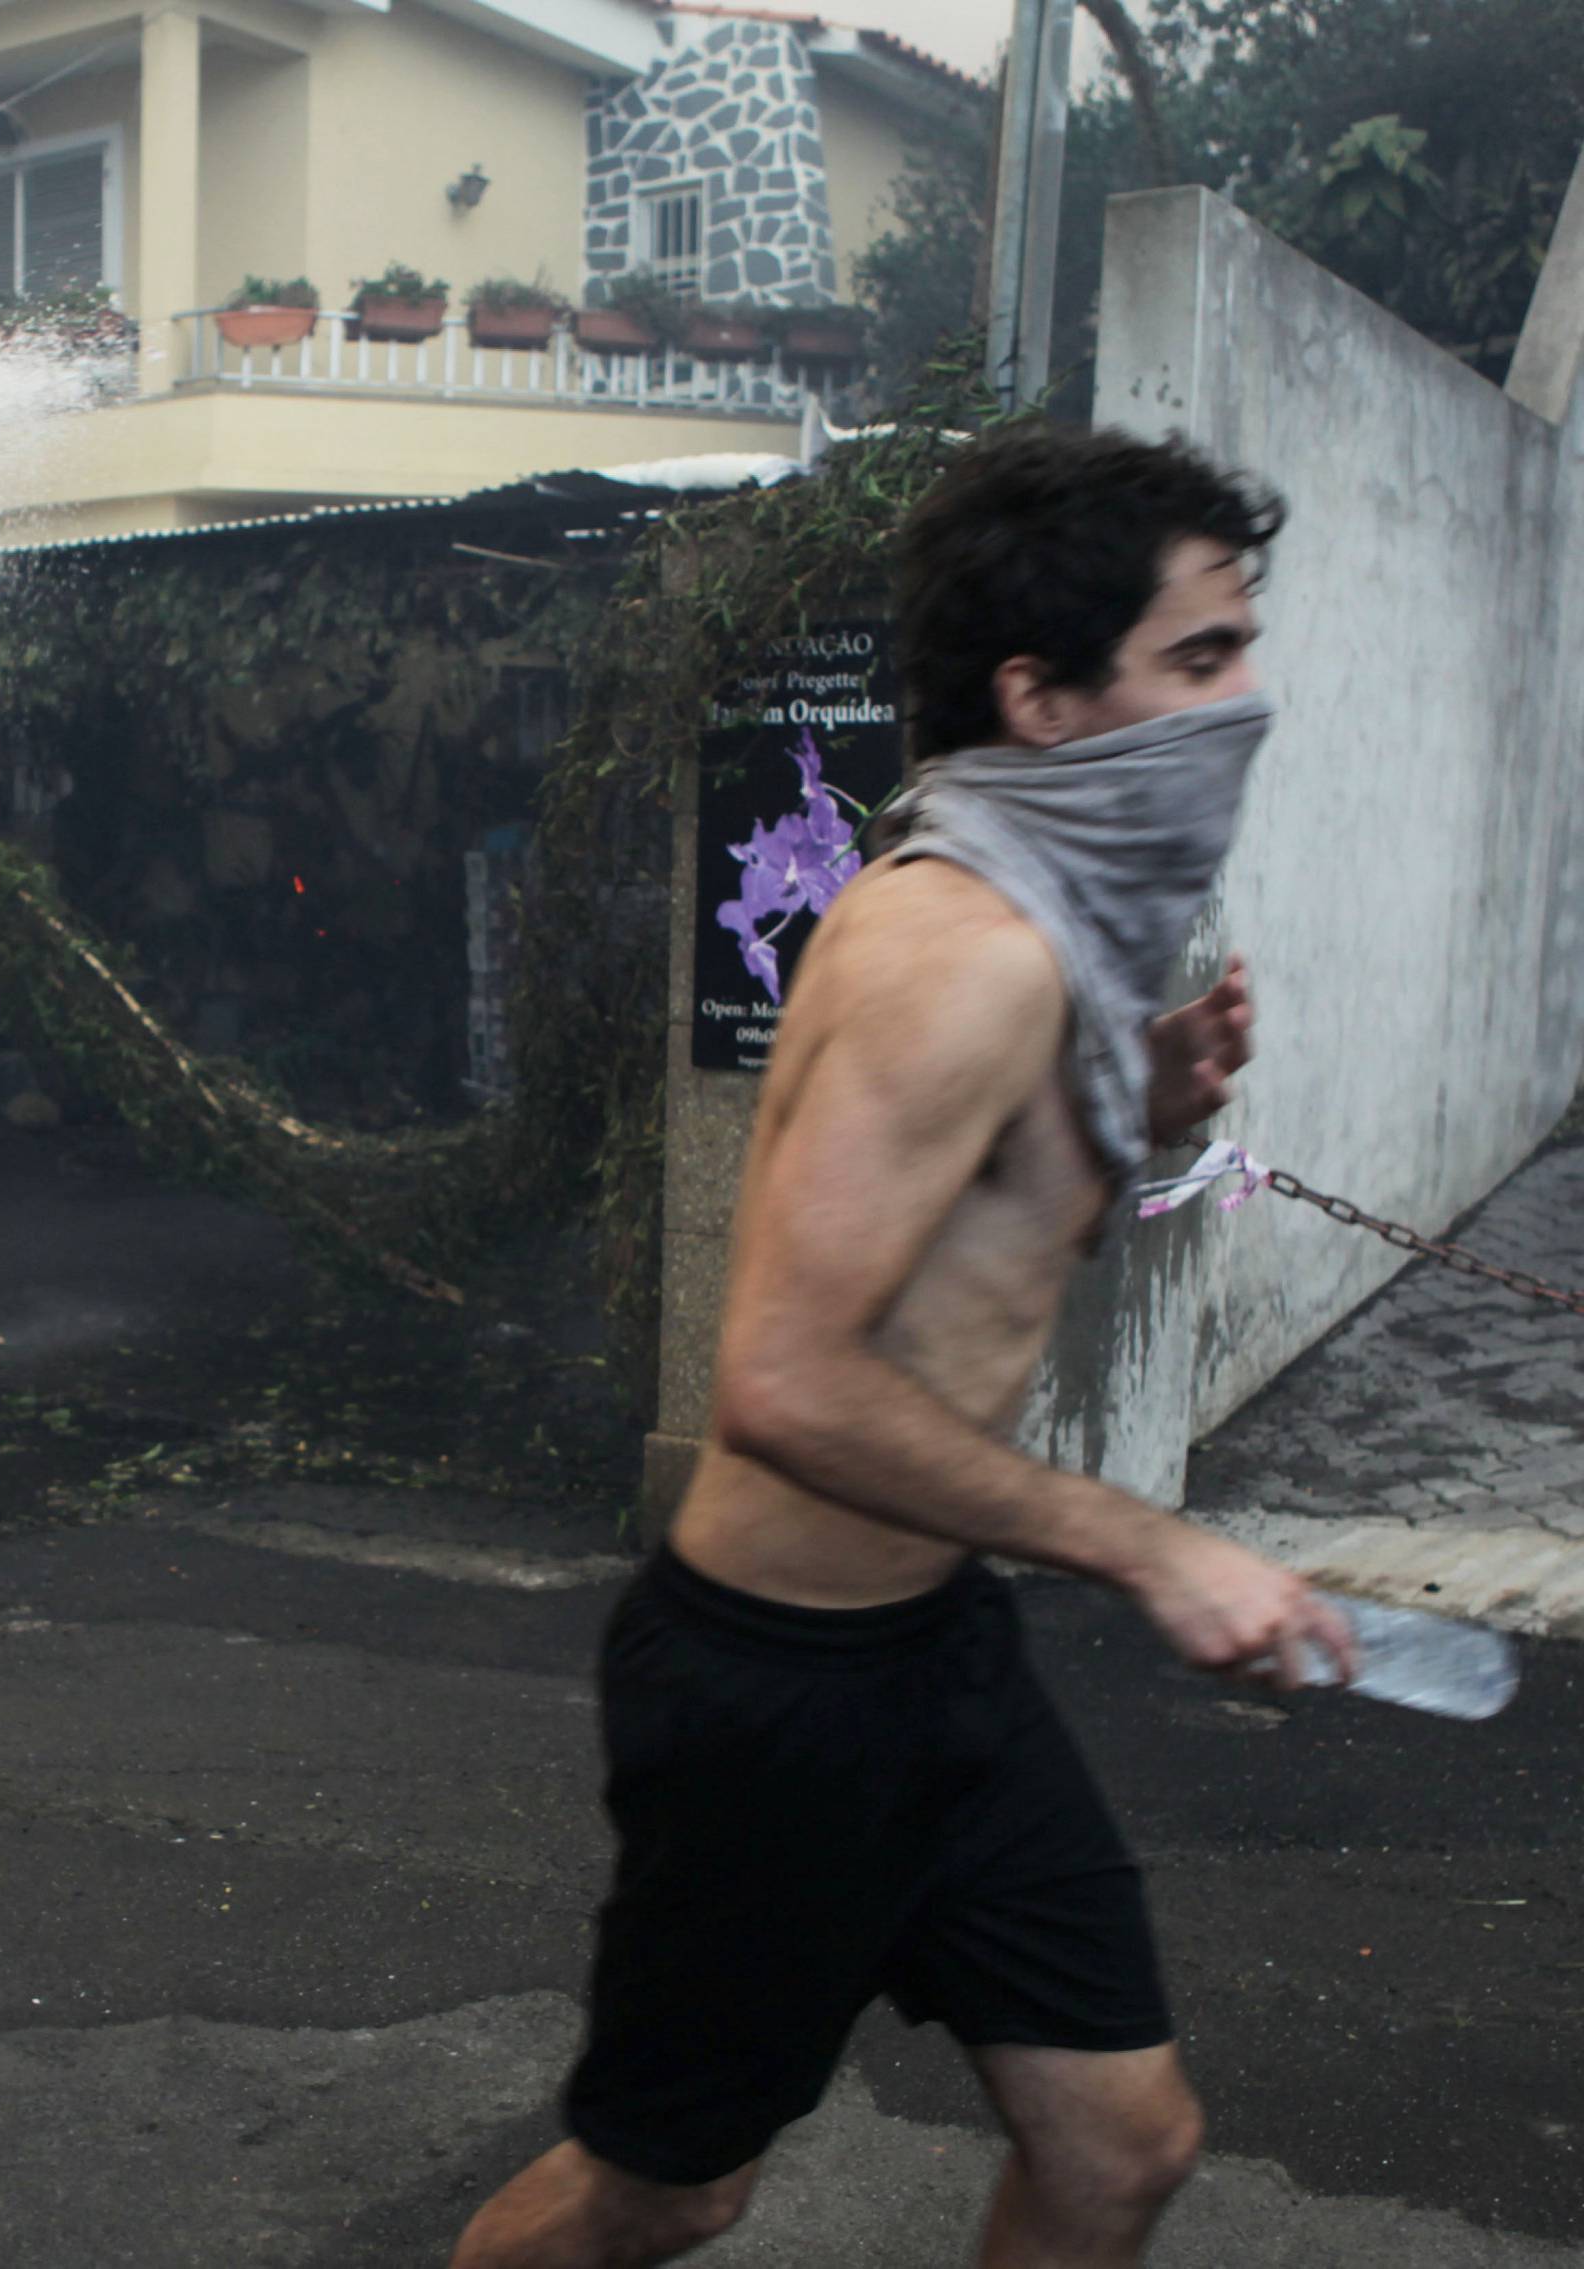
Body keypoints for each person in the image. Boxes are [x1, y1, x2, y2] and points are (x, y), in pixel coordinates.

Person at [451, 423, 1357, 2269]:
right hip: (776, 1695)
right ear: (1038, 695)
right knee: (670, 2186)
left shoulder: (1050, 925)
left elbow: (983, 1261)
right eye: (1199, 660)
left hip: (935, 1648)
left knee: (1120, 2145)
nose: (1244, 699)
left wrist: (1143, 1112)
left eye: (1241, 647)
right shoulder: (957, 947)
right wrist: (1150, 1539)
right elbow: (782, 1383)